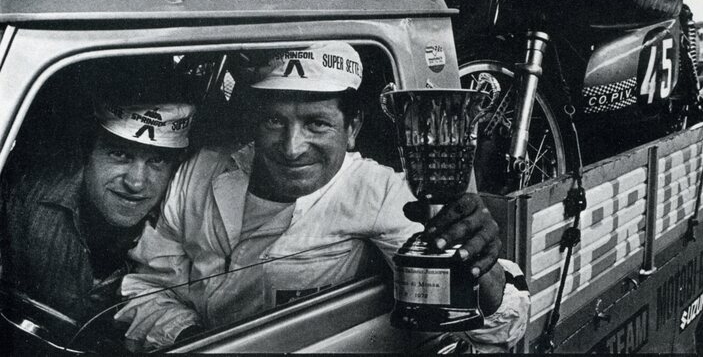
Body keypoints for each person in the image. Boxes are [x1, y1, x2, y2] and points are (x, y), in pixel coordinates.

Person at [114, 42, 530, 352]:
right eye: (275, 121)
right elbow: (147, 287)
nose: (292, 146)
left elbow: (496, 330)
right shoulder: (201, 172)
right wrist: (193, 341)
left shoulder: (380, 192)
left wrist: (481, 269)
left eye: (316, 124)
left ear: (352, 128)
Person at [0, 80, 195, 323]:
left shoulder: (182, 232)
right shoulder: (24, 203)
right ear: (86, 151)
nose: (136, 183)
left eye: (157, 161)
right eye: (120, 154)